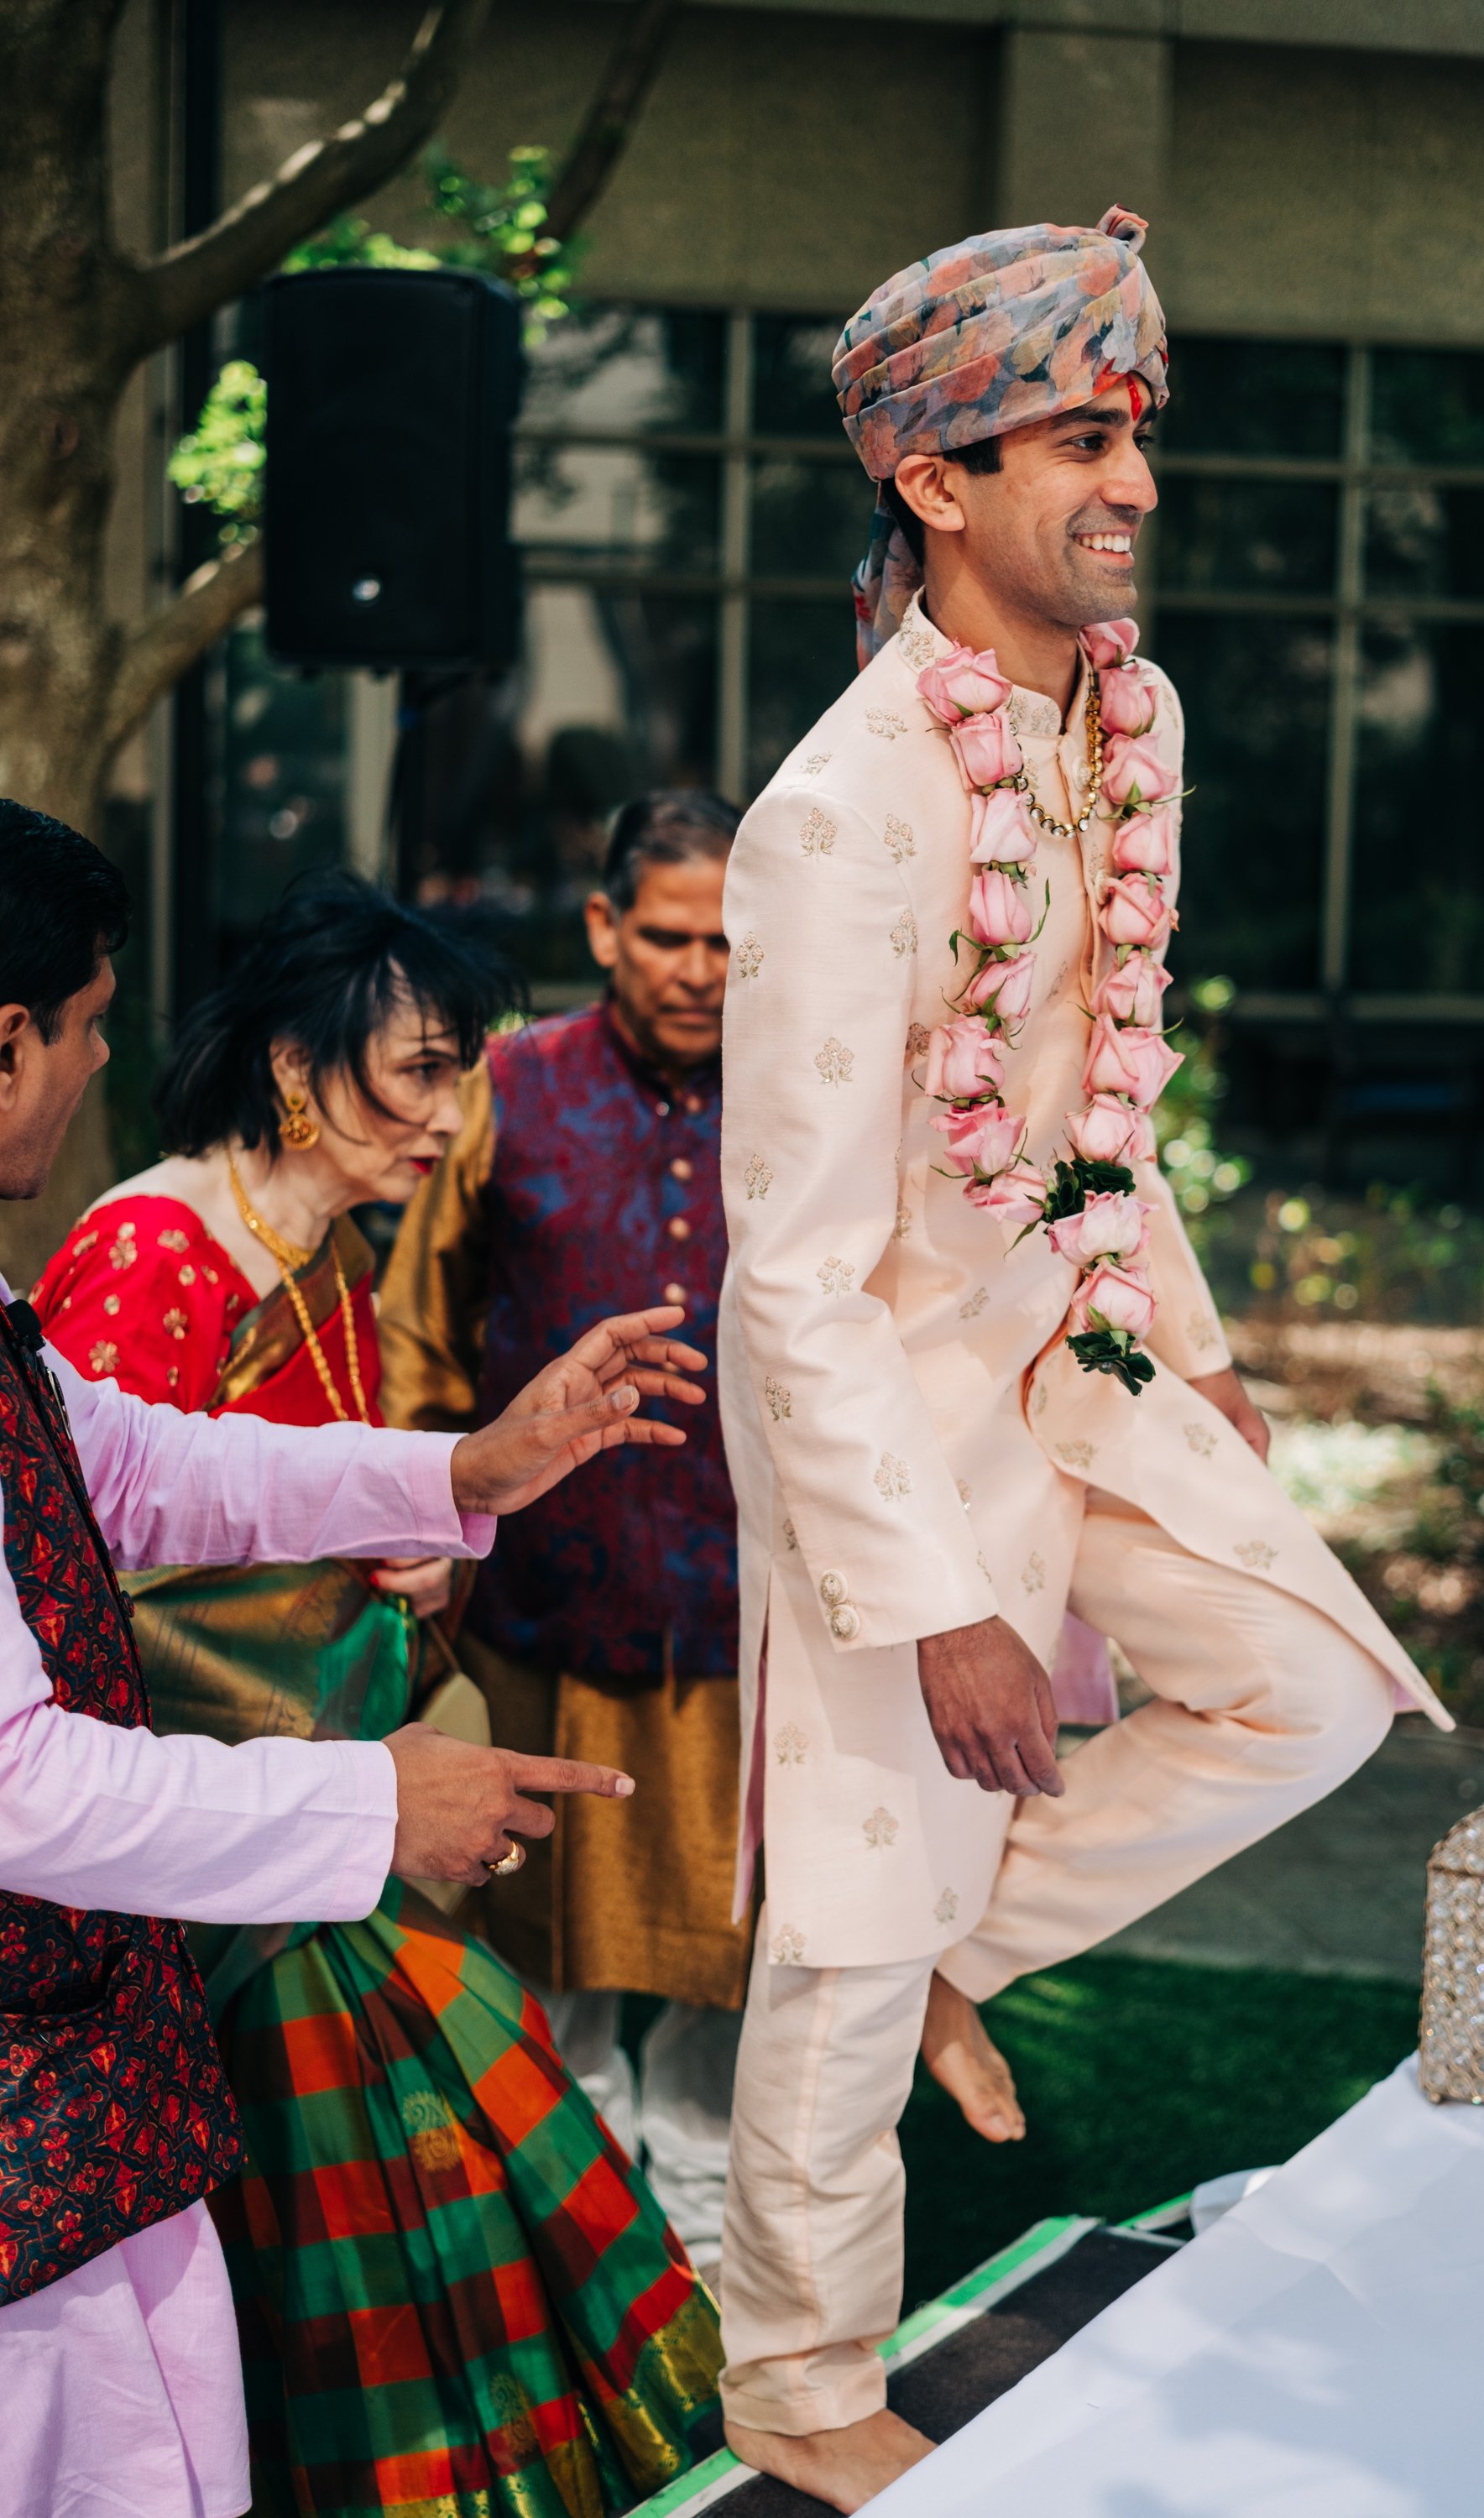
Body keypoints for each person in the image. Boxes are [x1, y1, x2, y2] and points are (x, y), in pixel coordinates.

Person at [714, 205, 1452, 2508]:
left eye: (1137, 432)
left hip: (1089, 1342)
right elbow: (791, 1271)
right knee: (843, 1929)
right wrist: (931, 1601)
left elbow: (1103, 1082)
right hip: (879, 1412)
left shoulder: (1133, 720)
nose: (1129, 480)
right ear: (935, 481)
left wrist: (1195, 1345)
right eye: (1071, 436)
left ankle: (976, 1947)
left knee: (1313, 1692)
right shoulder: (838, 820)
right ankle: (799, 2381)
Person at [0, 810, 715, 2518]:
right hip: (135, 1934)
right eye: (91, 1021)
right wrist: (368, 1800)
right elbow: (27, 1764)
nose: (109, 1063)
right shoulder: (145, 1245)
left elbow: (131, 1464)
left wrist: (462, 1470)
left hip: (153, 1928)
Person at [380, 793, 745, 2270]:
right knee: (555, 1989)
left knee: (734, 1990)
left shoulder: (811, 1097)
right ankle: (588, 2290)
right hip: (543, 1615)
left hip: (749, 1630)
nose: (701, 967)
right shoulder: (511, 1091)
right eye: (668, 933)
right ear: (605, 927)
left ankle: (718, 2284)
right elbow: (417, 1336)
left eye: (731, 938)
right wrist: (425, 1546)